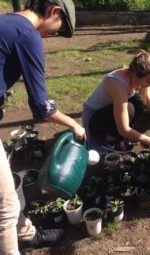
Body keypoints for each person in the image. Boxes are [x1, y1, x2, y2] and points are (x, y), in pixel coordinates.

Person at [0, 0, 86, 254]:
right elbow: (42, 107)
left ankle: (26, 234)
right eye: (57, 29)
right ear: (53, 12)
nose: (50, 35)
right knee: (5, 206)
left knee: (7, 189)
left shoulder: (6, 21)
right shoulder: (28, 34)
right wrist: (74, 124)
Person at [82, 50, 150, 155]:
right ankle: (109, 141)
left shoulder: (136, 77)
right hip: (94, 118)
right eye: (149, 81)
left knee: (140, 102)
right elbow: (123, 129)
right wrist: (149, 141)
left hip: (107, 112)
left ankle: (117, 137)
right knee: (130, 109)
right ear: (137, 75)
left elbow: (149, 102)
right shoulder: (117, 84)